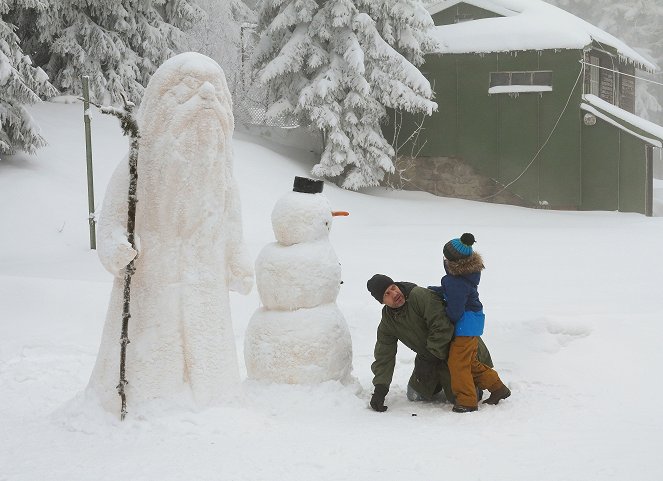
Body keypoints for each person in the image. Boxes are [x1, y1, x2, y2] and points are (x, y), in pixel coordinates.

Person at [366, 274, 494, 412]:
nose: (395, 293)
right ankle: (439, 381)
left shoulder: (419, 296)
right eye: (387, 294)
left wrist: (431, 355)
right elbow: (384, 354)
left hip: (458, 351)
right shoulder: (388, 322)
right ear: (382, 301)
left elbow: (442, 327)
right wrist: (380, 389)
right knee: (414, 395)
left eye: (393, 287)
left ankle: (475, 382)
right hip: (430, 357)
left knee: (460, 398)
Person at [431, 233, 511, 413]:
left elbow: (455, 309)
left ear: (452, 261)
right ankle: (498, 388)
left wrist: (447, 318)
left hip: (464, 324)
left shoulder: (454, 281)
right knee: (470, 362)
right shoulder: (465, 276)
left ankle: (467, 401)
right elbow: (455, 292)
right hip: (473, 320)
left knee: (458, 363)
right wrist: (437, 291)